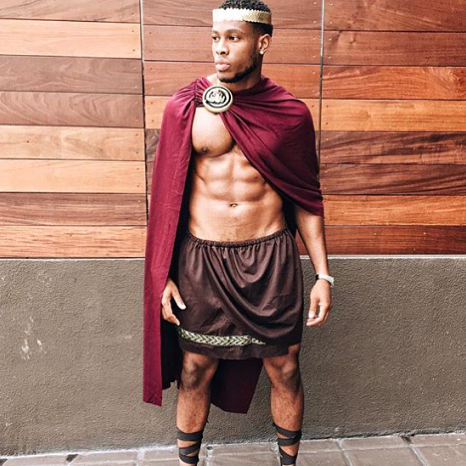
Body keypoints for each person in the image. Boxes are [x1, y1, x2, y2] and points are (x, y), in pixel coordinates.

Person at [143, 1, 334, 465]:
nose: (220, 49)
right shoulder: (185, 108)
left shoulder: (290, 114)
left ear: (262, 43)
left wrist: (324, 276)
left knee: (284, 368)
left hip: (269, 260)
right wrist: (162, 276)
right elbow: (166, 199)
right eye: (216, 38)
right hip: (202, 260)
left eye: (233, 38)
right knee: (195, 368)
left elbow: (306, 198)